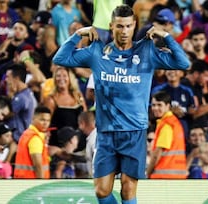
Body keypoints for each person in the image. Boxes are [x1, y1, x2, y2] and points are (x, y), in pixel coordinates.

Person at [52, 4, 190, 204]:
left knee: (127, 189)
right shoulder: (97, 52)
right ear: (111, 26)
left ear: (134, 26)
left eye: (127, 26)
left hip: (134, 132)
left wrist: (166, 36)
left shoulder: (146, 51)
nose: (124, 31)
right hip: (107, 133)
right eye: (119, 26)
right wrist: (78, 35)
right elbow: (60, 58)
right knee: (101, 190)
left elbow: (183, 63)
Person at [147, 91, 187, 179]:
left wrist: (147, 173)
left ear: (167, 106)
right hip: (177, 175)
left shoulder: (167, 124)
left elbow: (156, 154)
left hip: (164, 176)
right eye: (153, 105)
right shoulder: (174, 122)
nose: (155, 108)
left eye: (159, 105)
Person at [14, 106, 52, 179]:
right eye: (42, 120)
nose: (45, 123)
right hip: (31, 181)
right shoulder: (35, 138)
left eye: (48, 121)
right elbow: (38, 165)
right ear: (33, 119)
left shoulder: (27, 134)